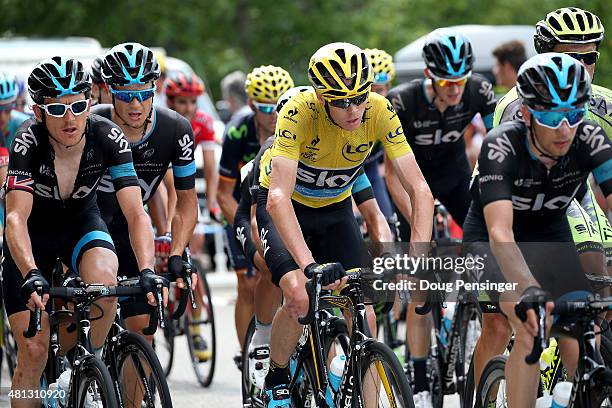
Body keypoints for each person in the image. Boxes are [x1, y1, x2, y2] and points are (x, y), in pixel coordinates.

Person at [256, 42, 433, 408]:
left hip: (336, 209)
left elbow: (420, 191)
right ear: (321, 98)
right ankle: (276, 376)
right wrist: (308, 265)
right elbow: (277, 198)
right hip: (287, 209)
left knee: (363, 308)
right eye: (341, 101)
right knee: (300, 295)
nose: (353, 109)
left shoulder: (380, 110)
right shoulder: (298, 113)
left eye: (359, 98)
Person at [3, 57, 157, 408]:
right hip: (33, 235)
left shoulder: (108, 136)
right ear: (39, 112)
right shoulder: (27, 142)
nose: (69, 118)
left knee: (106, 286)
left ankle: (84, 370)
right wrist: (30, 273)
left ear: (89, 102)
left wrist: (147, 269)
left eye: (77, 105)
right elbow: (15, 219)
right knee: (34, 350)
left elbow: (136, 213)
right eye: (57, 108)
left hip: (82, 223)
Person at [473, 8, 612, 392]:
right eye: (571, 57)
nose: (582, 67)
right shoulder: (514, 111)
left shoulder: (601, 109)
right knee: (509, 323)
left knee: (586, 313)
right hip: (503, 214)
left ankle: (574, 390)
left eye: (590, 58)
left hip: (562, 205)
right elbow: (499, 229)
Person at [385, 29, 496, 406]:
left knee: (486, 241)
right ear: (431, 76)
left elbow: (501, 141)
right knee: (422, 286)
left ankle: (476, 320)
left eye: (460, 81)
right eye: (447, 82)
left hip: (452, 175)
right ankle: (417, 378)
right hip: (410, 180)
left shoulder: (479, 91)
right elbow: (389, 174)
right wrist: (420, 221)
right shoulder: (402, 101)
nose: (455, 90)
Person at [94, 43, 198, 347]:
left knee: (144, 330)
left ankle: (131, 396)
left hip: (132, 228)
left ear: (157, 89)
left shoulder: (176, 129)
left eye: (144, 92)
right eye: (126, 94)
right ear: (110, 91)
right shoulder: (92, 124)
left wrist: (176, 251)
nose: (135, 103)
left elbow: (187, 202)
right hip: (88, 224)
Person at [217, 65, 294, 365]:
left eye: (278, 105)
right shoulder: (238, 132)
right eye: (265, 108)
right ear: (251, 106)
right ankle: (250, 350)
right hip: (241, 206)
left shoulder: (294, 125)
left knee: (279, 274)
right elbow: (223, 192)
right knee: (248, 282)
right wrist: (245, 232)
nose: (274, 114)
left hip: (275, 207)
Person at [362, 48, 395, 220]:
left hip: (372, 171)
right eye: (369, 90)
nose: (374, 97)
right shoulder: (349, 114)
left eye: (380, 90)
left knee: (388, 222)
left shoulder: (392, 113)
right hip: (342, 176)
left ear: (388, 89)